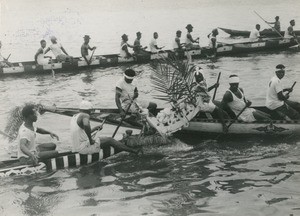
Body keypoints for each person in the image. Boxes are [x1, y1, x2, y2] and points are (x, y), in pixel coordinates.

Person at [70, 100, 139, 154]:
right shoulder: (85, 115)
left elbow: (84, 130)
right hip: (84, 148)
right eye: (91, 111)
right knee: (110, 140)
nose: (91, 113)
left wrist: (95, 128)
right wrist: (90, 140)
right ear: (88, 110)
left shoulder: (74, 116)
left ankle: (119, 144)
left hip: (76, 147)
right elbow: (86, 125)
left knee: (104, 139)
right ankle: (134, 151)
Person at [192, 67, 228, 132]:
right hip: (201, 104)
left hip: (205, 100)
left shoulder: (202, 82)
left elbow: (205, 91)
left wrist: (214, 86)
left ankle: (220, 117)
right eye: (197, 77)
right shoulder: (196, 85)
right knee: (218, 109)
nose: (199, 79)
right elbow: (203, 91)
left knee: (220, 104)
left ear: (202, 76)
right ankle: (224, 125)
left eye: (200, 77)